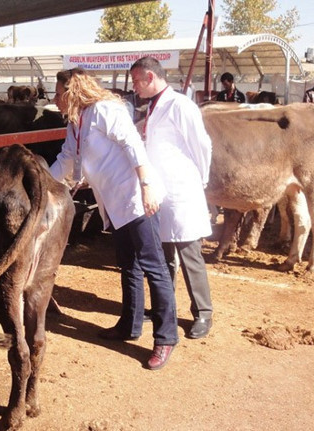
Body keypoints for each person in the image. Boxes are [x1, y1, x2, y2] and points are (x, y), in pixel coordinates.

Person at [48, 68, 179, 370]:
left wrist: (146, 186)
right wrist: (43, 183)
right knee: (128, 264)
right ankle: (130, 325)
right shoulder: (76, 123)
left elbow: (133, 145)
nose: (55, 100)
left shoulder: (105, 110)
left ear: (71, 91)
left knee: (153, 266)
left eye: (57, 94)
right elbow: (67, 159)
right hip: (115, 205)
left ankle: (166, 337)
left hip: (136, 198)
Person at [130, 56, 214, 339]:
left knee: (190, 255)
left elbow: (202, 145)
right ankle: (166, 307)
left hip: (182, 190)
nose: (135, 88)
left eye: (137, 82)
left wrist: (199, 179)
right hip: (159, 192)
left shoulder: (181, 105)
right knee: (163, 255)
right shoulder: (153, 106)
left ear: (151, 78)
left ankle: (203, 313)